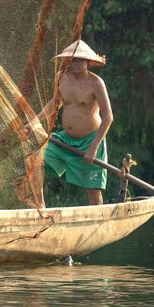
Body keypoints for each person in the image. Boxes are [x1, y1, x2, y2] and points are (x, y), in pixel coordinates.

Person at [41, 38, 113, 205]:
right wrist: (34, 122)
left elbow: (108, 116)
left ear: (87, 62)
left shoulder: (96, 83)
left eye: (78, 60)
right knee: (38, 164)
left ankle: (97, 222)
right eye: (71, 59)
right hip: (65, 140)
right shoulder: (61, 77)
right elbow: (55, 103)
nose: (73, 63)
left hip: (90, 141)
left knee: (93, 190)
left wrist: (94, 147)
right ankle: (39, 208)